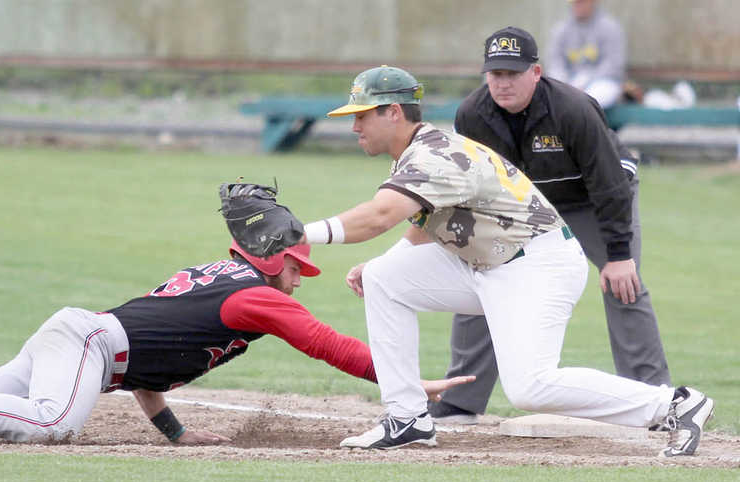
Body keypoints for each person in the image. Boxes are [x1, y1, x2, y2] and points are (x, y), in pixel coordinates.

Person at [299, 64, 712, 456]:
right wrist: (382, 262)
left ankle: (674, 404)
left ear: (392, 113)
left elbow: (379, 216)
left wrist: (300, 234)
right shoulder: (419, 151)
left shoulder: (435, 156)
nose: (354, 126)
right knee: (383, 279)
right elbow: (423, 221)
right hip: (488, 265)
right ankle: (407, 418)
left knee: (529, 388)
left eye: (362, 115)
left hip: (537, 266)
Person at [0, 241, 473, 444]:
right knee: (49, 424)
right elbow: (327, 345)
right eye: (297, 266)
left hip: (79, 337)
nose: (300, 280)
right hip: (90, 346)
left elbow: (155, 367)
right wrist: (404, 380)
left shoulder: (223, 281)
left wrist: (171, 432)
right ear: (271, 258)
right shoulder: (256, 295)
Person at [430, 26, 671, 426]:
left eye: (513, 73)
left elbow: (610, 184)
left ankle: (657, 401)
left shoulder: (573, 108)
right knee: (484, 277)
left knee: (623, 285)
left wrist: (618, 255)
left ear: (536, 72)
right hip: (522, 207)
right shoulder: (471, 114)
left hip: (591, 198)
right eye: (495, 74)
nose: (503, 83)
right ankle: (461, 402)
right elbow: (471, 187)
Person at [546, 0, 626, 109]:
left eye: (582, 2)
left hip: (601, 82)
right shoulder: (561, 29)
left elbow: (613, 65)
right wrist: (565, 84)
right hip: (568, 83)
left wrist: (584, 82)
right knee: (554, 95)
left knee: (595, 96)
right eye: (575, 2)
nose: (578, 5)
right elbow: (555, 63)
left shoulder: (610, 27)